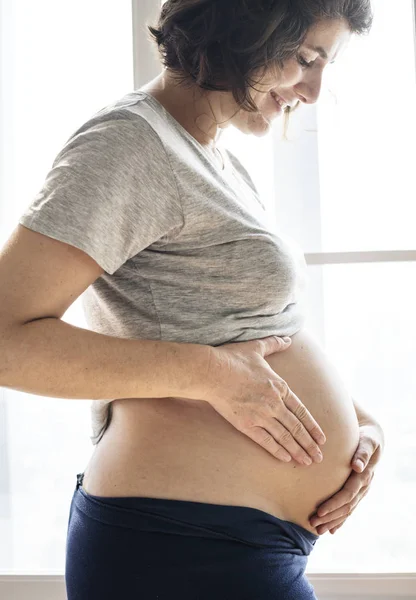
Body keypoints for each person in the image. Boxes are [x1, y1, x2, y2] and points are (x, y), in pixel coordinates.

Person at [0, 1, 385, 598]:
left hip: (239, 543)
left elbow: (235, 328)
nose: (312, 91)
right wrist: (209, 374)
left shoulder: (213, 158)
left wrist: (359, 425)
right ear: (248, 27)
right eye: (307, 59)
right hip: (176, 547)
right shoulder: (128, 144)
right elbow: (5, 339)